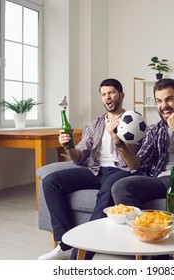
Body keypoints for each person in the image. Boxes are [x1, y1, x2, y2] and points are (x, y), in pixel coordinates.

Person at [111, 78, 174, 259]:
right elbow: (137, 164)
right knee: (120, 186)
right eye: (159, 101)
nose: (164, 106)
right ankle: (147, 243)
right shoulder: (155, 129)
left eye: (168, 99)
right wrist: (119, 142)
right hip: (160, 180)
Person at [38, 78, 140, 260]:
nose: (108, 97)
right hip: (95, 170)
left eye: (112, 93)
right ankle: (65, 243)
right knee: (51, 181)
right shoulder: (95, 125)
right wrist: (69, 147)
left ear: (121, 95)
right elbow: (80, 157)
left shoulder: (133, 121)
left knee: (106, 192)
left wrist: (117, 137)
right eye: (104, 94)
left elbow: (135, 161)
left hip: (120, 171)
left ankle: (81, 255)